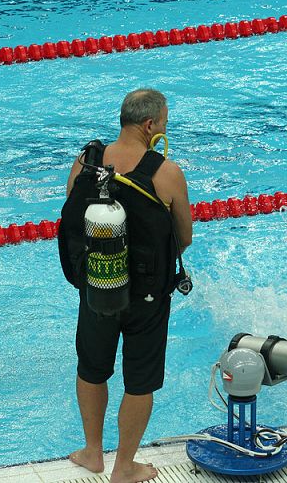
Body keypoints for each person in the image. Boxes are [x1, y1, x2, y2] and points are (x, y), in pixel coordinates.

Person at [58, 88, 192, 483]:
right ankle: (125, 467)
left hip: (98, 286)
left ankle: (92, 453)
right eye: (164, 121)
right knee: (140, 379)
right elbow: (184, 237)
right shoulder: (165, 172)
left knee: (92, 368)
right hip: (147, 297)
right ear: (150, 125)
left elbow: (71, 221)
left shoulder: (86, 162)